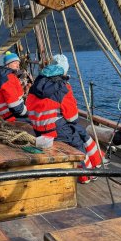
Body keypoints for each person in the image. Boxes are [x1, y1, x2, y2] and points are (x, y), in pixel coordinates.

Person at [26, 54, 104, 184]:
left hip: (38, 130)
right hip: (55, 132)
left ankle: (97, 161)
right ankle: (86, 175)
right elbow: (73, 118)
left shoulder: (36, 85)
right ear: (64, 70)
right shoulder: (62, 87)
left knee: (80, 131)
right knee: (79, 141)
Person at [0, 52, 28, 122]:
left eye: (18, 63)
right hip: (10, 117)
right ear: (8, 65)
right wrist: (28, 112)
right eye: (15, 63)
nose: (18, 65)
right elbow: (15, 107)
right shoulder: (8, 79)